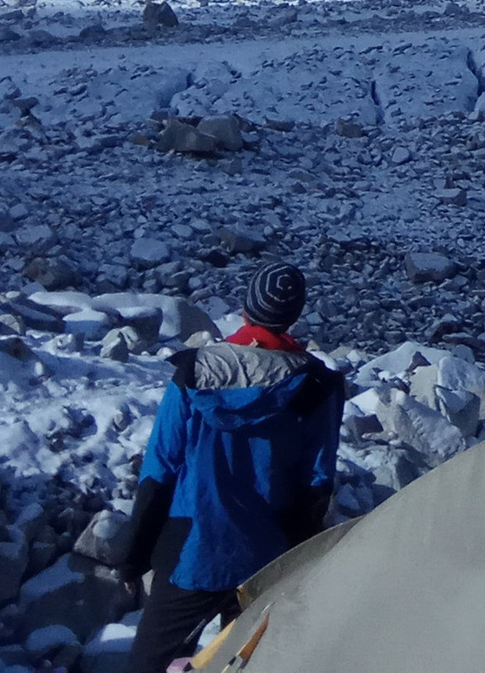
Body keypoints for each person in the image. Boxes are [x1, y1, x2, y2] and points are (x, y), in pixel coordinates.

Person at [119, 260, 343, 673]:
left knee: (145, 664)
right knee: (247, 664)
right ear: (293, 316)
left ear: (246, 309)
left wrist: (133, 558)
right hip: (268, 556)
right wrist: (298, 562)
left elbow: (158, 473)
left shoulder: (192, 373)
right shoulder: (318, 387)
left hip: (193, 550)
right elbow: (317, 484)